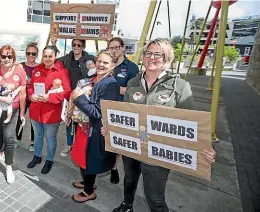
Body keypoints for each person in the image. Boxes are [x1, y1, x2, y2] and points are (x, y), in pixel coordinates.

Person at [103, 38, 217, 212]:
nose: (152, 57)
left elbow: (192, 124)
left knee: (154, 197)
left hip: (159, 152)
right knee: (130, 179)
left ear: (167, 58)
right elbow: (124, 114)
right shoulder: (134, 82)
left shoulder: (179, 87)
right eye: (148, 53)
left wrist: (206, 147)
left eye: (158, 54)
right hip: (132, 147)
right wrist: (111, 130)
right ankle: (127, 205)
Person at [70, 50, 118, 203]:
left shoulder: (111, 85)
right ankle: (87, 182)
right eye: (99, 61)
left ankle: (89, 191)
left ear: (112, 65)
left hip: (95, 130)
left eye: (105, 63)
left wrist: (78, 98)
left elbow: (98, 112)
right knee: (82, 158)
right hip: (84, 127)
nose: (101, 65)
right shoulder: (92, 79)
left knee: (89, 160)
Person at [0, 45, 27, 184]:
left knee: (9, 137)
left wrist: (22, 113)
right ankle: (2, 153)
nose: (7, 59)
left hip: (12, 110)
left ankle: (8, 166)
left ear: (14, 57)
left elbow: (23, 93)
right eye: (4, 56)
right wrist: (1, 98)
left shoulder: (20, 71)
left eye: (10, 56)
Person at [27, 46, 71, 174]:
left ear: (55, 56)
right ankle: (37, 156)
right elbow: (30, 87)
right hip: (36, 111)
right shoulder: (37, 70)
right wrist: (31, 95)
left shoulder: (61, 72)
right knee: (38, 136)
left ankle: (49, 160)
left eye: (50, 56)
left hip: (51, 113)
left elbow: (67, 92)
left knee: (51, 138)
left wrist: (49, 97)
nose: (47, 59)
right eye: (45, 56)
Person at [50, 36, 96, 157]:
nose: (76, 47)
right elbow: (53, 60)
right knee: (68, 119)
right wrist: (53, 44)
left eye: (79, 45)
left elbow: (103, 65)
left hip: (83, 95)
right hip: (69, 95)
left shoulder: (89, 58)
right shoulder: (68, 58)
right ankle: (70, 144)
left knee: (82, 120)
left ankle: (80, 146)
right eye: (74, 45)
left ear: (83, 47)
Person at [107, 36, 140, 184]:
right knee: (103, 140)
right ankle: (102, 166)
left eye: (116, 47)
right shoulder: (105, 63)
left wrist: (116, 88)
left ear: (123, 48)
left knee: (116, 143)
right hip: (102, 107)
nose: (113, 51)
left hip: (120, 110)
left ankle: (113, 168)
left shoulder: (132, 67)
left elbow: (136, 92)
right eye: (111, 48)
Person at [15, 42, 40, 151]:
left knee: (34, 121)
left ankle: (33, 142)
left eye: (33, 54)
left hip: (34, 97)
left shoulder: (40, 67)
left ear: (37, 55)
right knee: (19, 119)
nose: (31, 56)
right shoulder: (20, 66)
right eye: (28, 53)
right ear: (25, 54)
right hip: (22, 96)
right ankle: (17, 139)